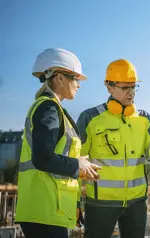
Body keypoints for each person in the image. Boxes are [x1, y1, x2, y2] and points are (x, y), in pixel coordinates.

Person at [77, 59, 150, 238]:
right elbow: (77, 160)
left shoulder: (143, 119)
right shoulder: (90, 118)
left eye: (133, 87)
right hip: (100, 204)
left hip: (136, 203)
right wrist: (76, 202)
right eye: (125, 88)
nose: (131, 92)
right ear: (109, 87)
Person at [15, 48, 101, 238]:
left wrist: (79, 165)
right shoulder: (48, 108)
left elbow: (52, 155)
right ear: (59, 78)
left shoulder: (52, 109)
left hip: (46, 210)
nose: (78, 85)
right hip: (44, 210)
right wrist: (77, 165)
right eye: (75, 78)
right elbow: (43, 158)